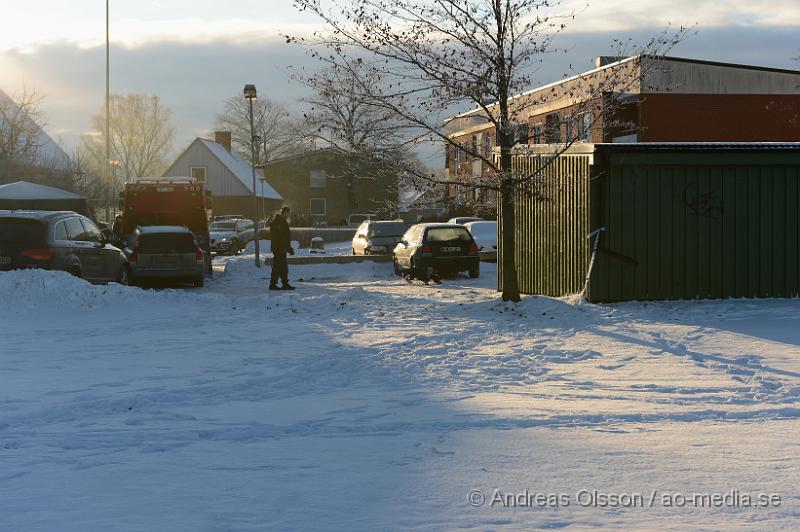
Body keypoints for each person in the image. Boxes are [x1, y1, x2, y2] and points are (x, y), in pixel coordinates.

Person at [269, 206, 295, 290]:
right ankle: (274, 284)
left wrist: (288, 247)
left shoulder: (283, 222)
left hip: (281, 248)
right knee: (278, 266)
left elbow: (285, 237)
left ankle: (284, 283)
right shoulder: (277, 223)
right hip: (278, 248)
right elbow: (278, 237)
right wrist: (285, 247)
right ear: (283, 213)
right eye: (287, 213)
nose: (288, 215)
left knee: (282, 266)